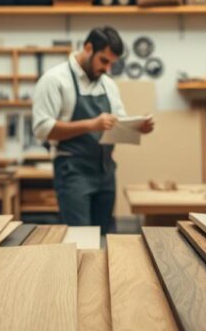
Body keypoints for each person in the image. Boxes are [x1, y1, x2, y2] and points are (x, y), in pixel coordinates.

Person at [32, 26, 154, 233]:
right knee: (80, 239)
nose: (107, 68)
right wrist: (91, 124)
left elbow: (119, 120)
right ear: (88, 48)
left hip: (106, 171)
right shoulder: (54, 80)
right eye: (104, 61)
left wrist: (138, 126)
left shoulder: (107, 83)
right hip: (73, 172)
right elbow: (42, 129)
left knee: (106, 237)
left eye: (112, 64)